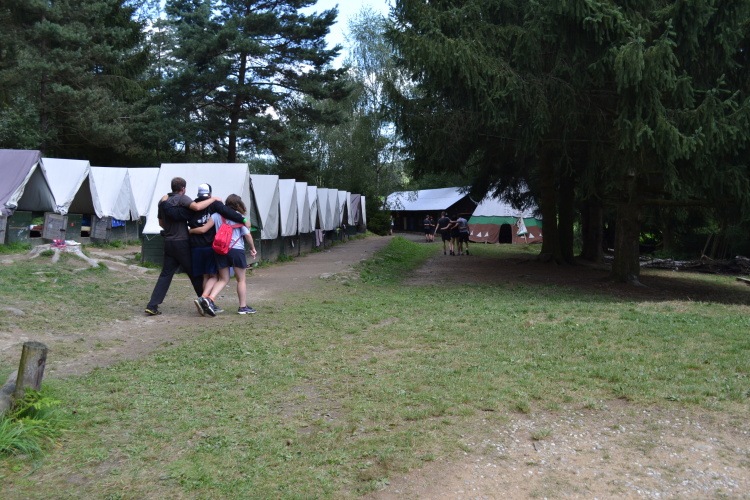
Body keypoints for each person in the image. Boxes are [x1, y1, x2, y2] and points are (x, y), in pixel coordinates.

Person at [145, 177, 221, 316]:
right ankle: (206, 303)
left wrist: (171, 228)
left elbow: (161, 223)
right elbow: (197, 207)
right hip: (182, 243)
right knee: (194, 274)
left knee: (165, 275)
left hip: (168, 242)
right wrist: (214, 199)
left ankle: (152, 305)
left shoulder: (163, 201)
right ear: (183, 188)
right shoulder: (182, 199)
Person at [182, 183, 251, 316]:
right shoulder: (217, 207)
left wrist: (189, 231)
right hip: (215, 247)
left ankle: (206, 300)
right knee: (217, 276)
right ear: (210, 194)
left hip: (197, 247)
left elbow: (201, 227)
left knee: (208, 276)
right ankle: (207, 300)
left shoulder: (193, 206)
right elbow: (246, 233)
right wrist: (244, 220)